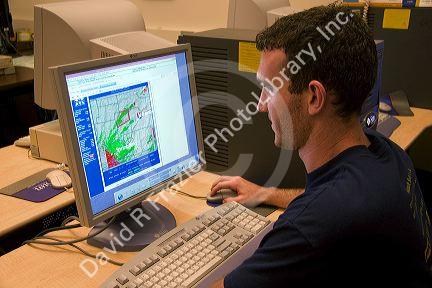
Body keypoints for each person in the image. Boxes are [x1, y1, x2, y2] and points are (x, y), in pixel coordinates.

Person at [210, 5, 431, 288]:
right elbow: (329, 203)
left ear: (314, 97)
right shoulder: (384, 152)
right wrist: (265, 193)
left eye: (269, 88)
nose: (260, 104)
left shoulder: (312, 228)